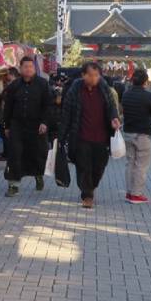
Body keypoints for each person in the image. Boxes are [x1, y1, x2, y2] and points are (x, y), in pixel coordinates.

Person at [59, 61, 121, 208]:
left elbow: (112, 107)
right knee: (83, 166)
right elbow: (66, 114)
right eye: (90, 75)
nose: (94, 78)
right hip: (81, 136)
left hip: (101, 137)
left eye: (96, 75)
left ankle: (91, 187)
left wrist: (114, 118)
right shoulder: (74, 90)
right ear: (83, 75)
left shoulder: (104, 88)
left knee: (99, 167)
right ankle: (87, 195)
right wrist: (61, 136)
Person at [2, 58, 50, 197]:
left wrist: (44, 122)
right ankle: (13, 185)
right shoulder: (14, 86)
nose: (28, 69)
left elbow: (48, 106)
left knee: (38, 153)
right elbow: (8, 108)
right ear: (20, 68)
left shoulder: (43, 84)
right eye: (26, 66)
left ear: (34, 68)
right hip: (17, 125)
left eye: (31, 66)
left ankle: (38, 176)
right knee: (15, 154)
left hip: (37, 126)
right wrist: (6, 125)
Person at [121, 68, 151, 204]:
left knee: (129, 162)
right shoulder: (149, 96)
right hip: (142, 133)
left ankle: (129, 192)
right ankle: (136, 194)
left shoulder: (126, 94)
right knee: (141, 165)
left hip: (128, 132)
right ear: (145, 81)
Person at [0, 67, 19, 162]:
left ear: (12, 75)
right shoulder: (11, 84)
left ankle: (7, 154)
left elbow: (8, 98)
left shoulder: (15, 85)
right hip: (6, 113)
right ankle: (5, 152)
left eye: (7, 74)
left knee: (6, 134)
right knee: (4, 134)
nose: (6, 76)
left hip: (8, 114)